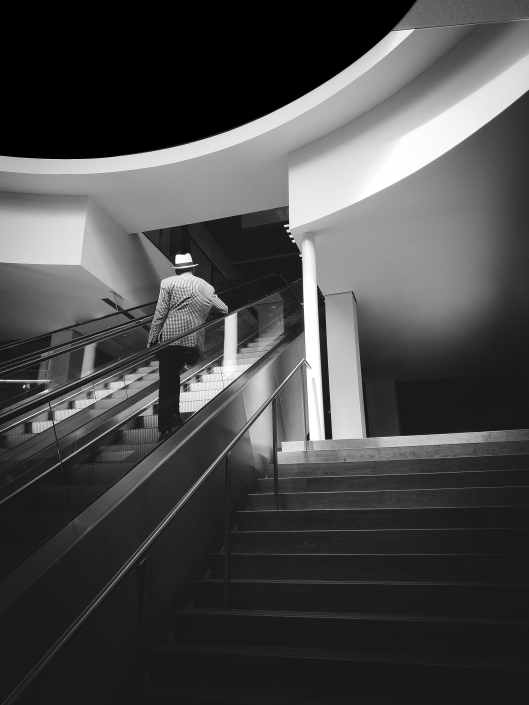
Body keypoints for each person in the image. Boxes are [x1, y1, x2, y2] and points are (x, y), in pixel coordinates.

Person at [147, 253, 228, 440]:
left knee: (167, 381)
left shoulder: (168, 283)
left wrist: (152, 340)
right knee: (174, 375)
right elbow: (224, 309)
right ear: (193, 268)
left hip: (169, 342)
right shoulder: (207, 287)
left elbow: (160, 314)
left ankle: (165, 428)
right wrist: (204, 317)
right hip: (192, 345)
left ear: (177, 270)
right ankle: (175, 415)